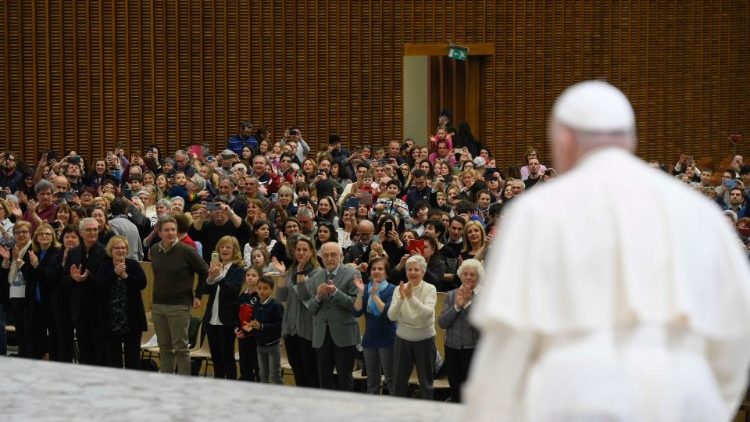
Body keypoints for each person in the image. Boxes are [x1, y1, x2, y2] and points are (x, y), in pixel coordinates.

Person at [466, 80, 750, 421]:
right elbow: (737, 331)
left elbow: (507, 347)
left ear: (564, 140)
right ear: (629, 140)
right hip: (682, 394)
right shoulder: (700, 211)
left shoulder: (537, 212)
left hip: (572, 396)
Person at [150, 216, 208, 375]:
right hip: (158, 305)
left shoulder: (187, 250)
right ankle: (167, 383)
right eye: (167, 230)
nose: (171, 233)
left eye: (173, 230)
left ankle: (183, 385)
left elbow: (204, 271)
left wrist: (198, 296)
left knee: (181, 348)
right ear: (159, 232)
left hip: (180, 305)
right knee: (164, 347)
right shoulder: (155, 249)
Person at [302, 241, 361, 391]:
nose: (329, 258)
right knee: (324, 378)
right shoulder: (316, 277)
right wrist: (318, 297)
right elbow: (310, 310)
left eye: (333, 255)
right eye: (326, 255)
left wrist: (335, 292)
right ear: (321, 258)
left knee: (344, 378)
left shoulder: (353, 274)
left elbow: (355, 305)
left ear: (341, 256)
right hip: (322, 335)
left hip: (345, 335)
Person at [387, 254, 437, 399]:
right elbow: (391, 316)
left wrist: (410, 297)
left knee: (426, 383)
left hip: (425, 340)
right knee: (398, 383)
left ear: (423, 272)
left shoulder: (430, 288)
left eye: (416, 269)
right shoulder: (399, 289)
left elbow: (428, 313)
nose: (413, 272)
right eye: (409, 269)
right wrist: (401, 298)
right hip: (402, 340)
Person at [93, 236, 147, 369]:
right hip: (111, 319)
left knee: (132, 357)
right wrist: (114, 274)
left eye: (123, 248)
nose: (120, 250)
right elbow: (99, 286)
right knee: (113, 357)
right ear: (111, 250)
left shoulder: (133, 264)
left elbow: (142, 283)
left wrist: (125, 276)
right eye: (117, 248)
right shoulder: (105, 266)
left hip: (131, 318)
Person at [274, 235, 321, 388]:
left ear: (312, 252)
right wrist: (282, 274)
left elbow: (306, 298)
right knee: (298, 370)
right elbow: (281, 296)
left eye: (304, 250)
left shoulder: (317, 273)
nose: (301, 253)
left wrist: (300, 276)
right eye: (298, 250)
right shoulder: (291, 271)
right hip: (291, 329)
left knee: (310, 372)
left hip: (308, 330)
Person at [64, 217, 108, 365]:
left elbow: (105, 281)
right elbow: (65, 279)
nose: (93, 232)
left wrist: (86, 279)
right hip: (79, 309)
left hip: (98, 310)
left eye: (95, 229)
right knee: (84, 351)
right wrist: (74, 278)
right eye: (88, 230)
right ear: (81, 233)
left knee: (99, 351)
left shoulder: (105, 252)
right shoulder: (73, 252)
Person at [438, 258, 483, 403]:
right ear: (460, 275)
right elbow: (442, 323)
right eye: (465, 274)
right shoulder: (451, 295)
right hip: (452, 350)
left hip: (473, 351)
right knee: (456, 393)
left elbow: (481, 327)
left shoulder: (483, 296)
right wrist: (457, 307)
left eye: (472, 274)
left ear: (478, 277)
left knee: (471, 395)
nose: (468, 277)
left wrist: (468, 304)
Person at [353, 256, 397, 394]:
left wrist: (374, 296)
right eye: (373, 269)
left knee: (390, 379)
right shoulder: (365, 288)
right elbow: (356, 312)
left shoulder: (392, 289)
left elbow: (388, 313)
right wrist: (361, 293)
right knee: (372, 380)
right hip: (369, 340)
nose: (376, 271)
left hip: (388, 340)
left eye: (380, 269)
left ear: (386, 272)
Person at [202, 236, 244, 380]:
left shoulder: (238, 270)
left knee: (227, 358)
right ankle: (217, 386)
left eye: (228, 247)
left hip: (227, 320)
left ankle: (231, 386)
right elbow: (205, 291)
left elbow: (232, 292)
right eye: (222, 247)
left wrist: (219, 277)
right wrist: (210, 278)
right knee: (216, 358)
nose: (224, 250)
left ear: (235, 250)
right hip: (211, 319)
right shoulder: (215, 266)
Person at [247, 276, 284, 384]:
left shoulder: (276, 305)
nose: (262, 291)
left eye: (265, 288)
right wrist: (250, 326)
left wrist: (261, 326)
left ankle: (278, 398)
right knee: (262, 374)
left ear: (272, 289)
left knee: (274, 374)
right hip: (260, 345)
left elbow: (279, 327)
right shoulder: (256, 304)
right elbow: (254, 320)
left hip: (273, 346)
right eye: (259, 288)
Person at [235, 267, 261, 381]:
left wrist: (246, 331)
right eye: (248, 275)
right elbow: (236, 315)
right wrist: (236, 329)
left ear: (259, 278)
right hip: (242, 337)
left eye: (254, 275)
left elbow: (257, 318)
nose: (250, 277)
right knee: (244, 366)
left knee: (257, 366)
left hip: (255, 337)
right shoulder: (242, 296)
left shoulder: (260, 296)